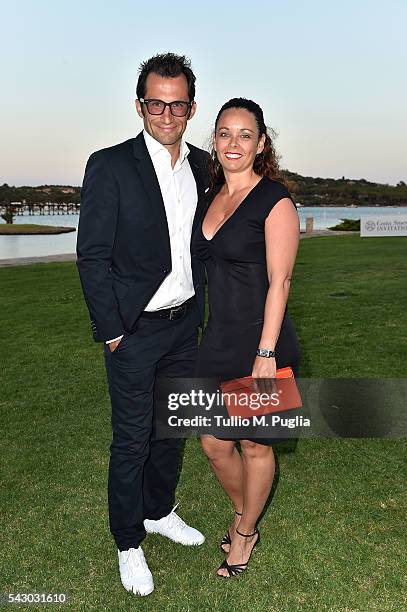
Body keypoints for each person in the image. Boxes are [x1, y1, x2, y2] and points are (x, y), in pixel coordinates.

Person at [76, 53, 209, 597]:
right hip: (134, 329)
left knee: (171, 431)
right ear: (140, 105)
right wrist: (112, 330)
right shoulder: (109, 165)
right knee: (131, 440)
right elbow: (92, 256)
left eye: (178, 104)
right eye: (156, 103)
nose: (167, 113)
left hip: (185, 326)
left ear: (191, 108)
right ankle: (128, 542)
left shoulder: (204, 165)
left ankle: (159, 512)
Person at [193, 98, 301, 577]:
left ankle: (245, 533)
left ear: (260, 143)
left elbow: (280, 282)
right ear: (214, 141)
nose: (233, 143)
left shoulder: (274, 200)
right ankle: (246, 513)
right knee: (214, 444)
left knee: (256, 446)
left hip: (261, 344)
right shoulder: (210, 195)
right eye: (224, 133)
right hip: (216, 340)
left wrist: (265, 353)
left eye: (244, 134)